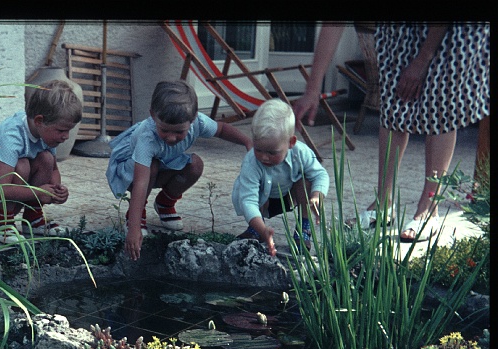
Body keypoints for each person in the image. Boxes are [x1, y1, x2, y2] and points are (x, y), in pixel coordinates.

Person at [293, 22, 490, 242]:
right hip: (398, 30)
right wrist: (312, 89)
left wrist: (422, 60)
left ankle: (429, 207)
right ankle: (383, 204)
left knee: (439, 106)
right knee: (394, 105)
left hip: (449, 32)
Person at [106, 80, 253, 261]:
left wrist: (248, 142)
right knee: (150, 167)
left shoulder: (198, 122)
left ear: (192, 120)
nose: (171, 137)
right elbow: (141, 181)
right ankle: (136, 214)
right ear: (153, 115)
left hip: (164, 162)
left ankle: (165, 203)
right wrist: (134, 229)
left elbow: (222, 129)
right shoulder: (147, 138)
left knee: (195, 164)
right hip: (130, 170)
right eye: (165, 130)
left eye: (179, 132)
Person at [0, 79, 82, 244]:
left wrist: (57, 192)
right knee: (22, 164)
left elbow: (52, 169)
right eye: (61, 130)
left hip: (9, 193)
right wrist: (39, 192)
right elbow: (0, 190)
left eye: (69, 130)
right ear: (39, 121)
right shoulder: (13, 135)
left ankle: (34, 218)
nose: (66, 136)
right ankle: (2, 223)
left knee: (45, 158)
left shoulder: (44, 134)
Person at [231, 98, 329, 256]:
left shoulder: (301, 153)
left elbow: (320, 174)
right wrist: (263, 230)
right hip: (264, 199)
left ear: (291, 142)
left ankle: (304, 229)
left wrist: (317, 195)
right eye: (259, 149)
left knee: (307, 180)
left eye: (272, 152)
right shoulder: (251, 162)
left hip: (289, 195)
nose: (264, 157)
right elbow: (248, 200)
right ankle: (256, 229)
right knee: (255, 192)